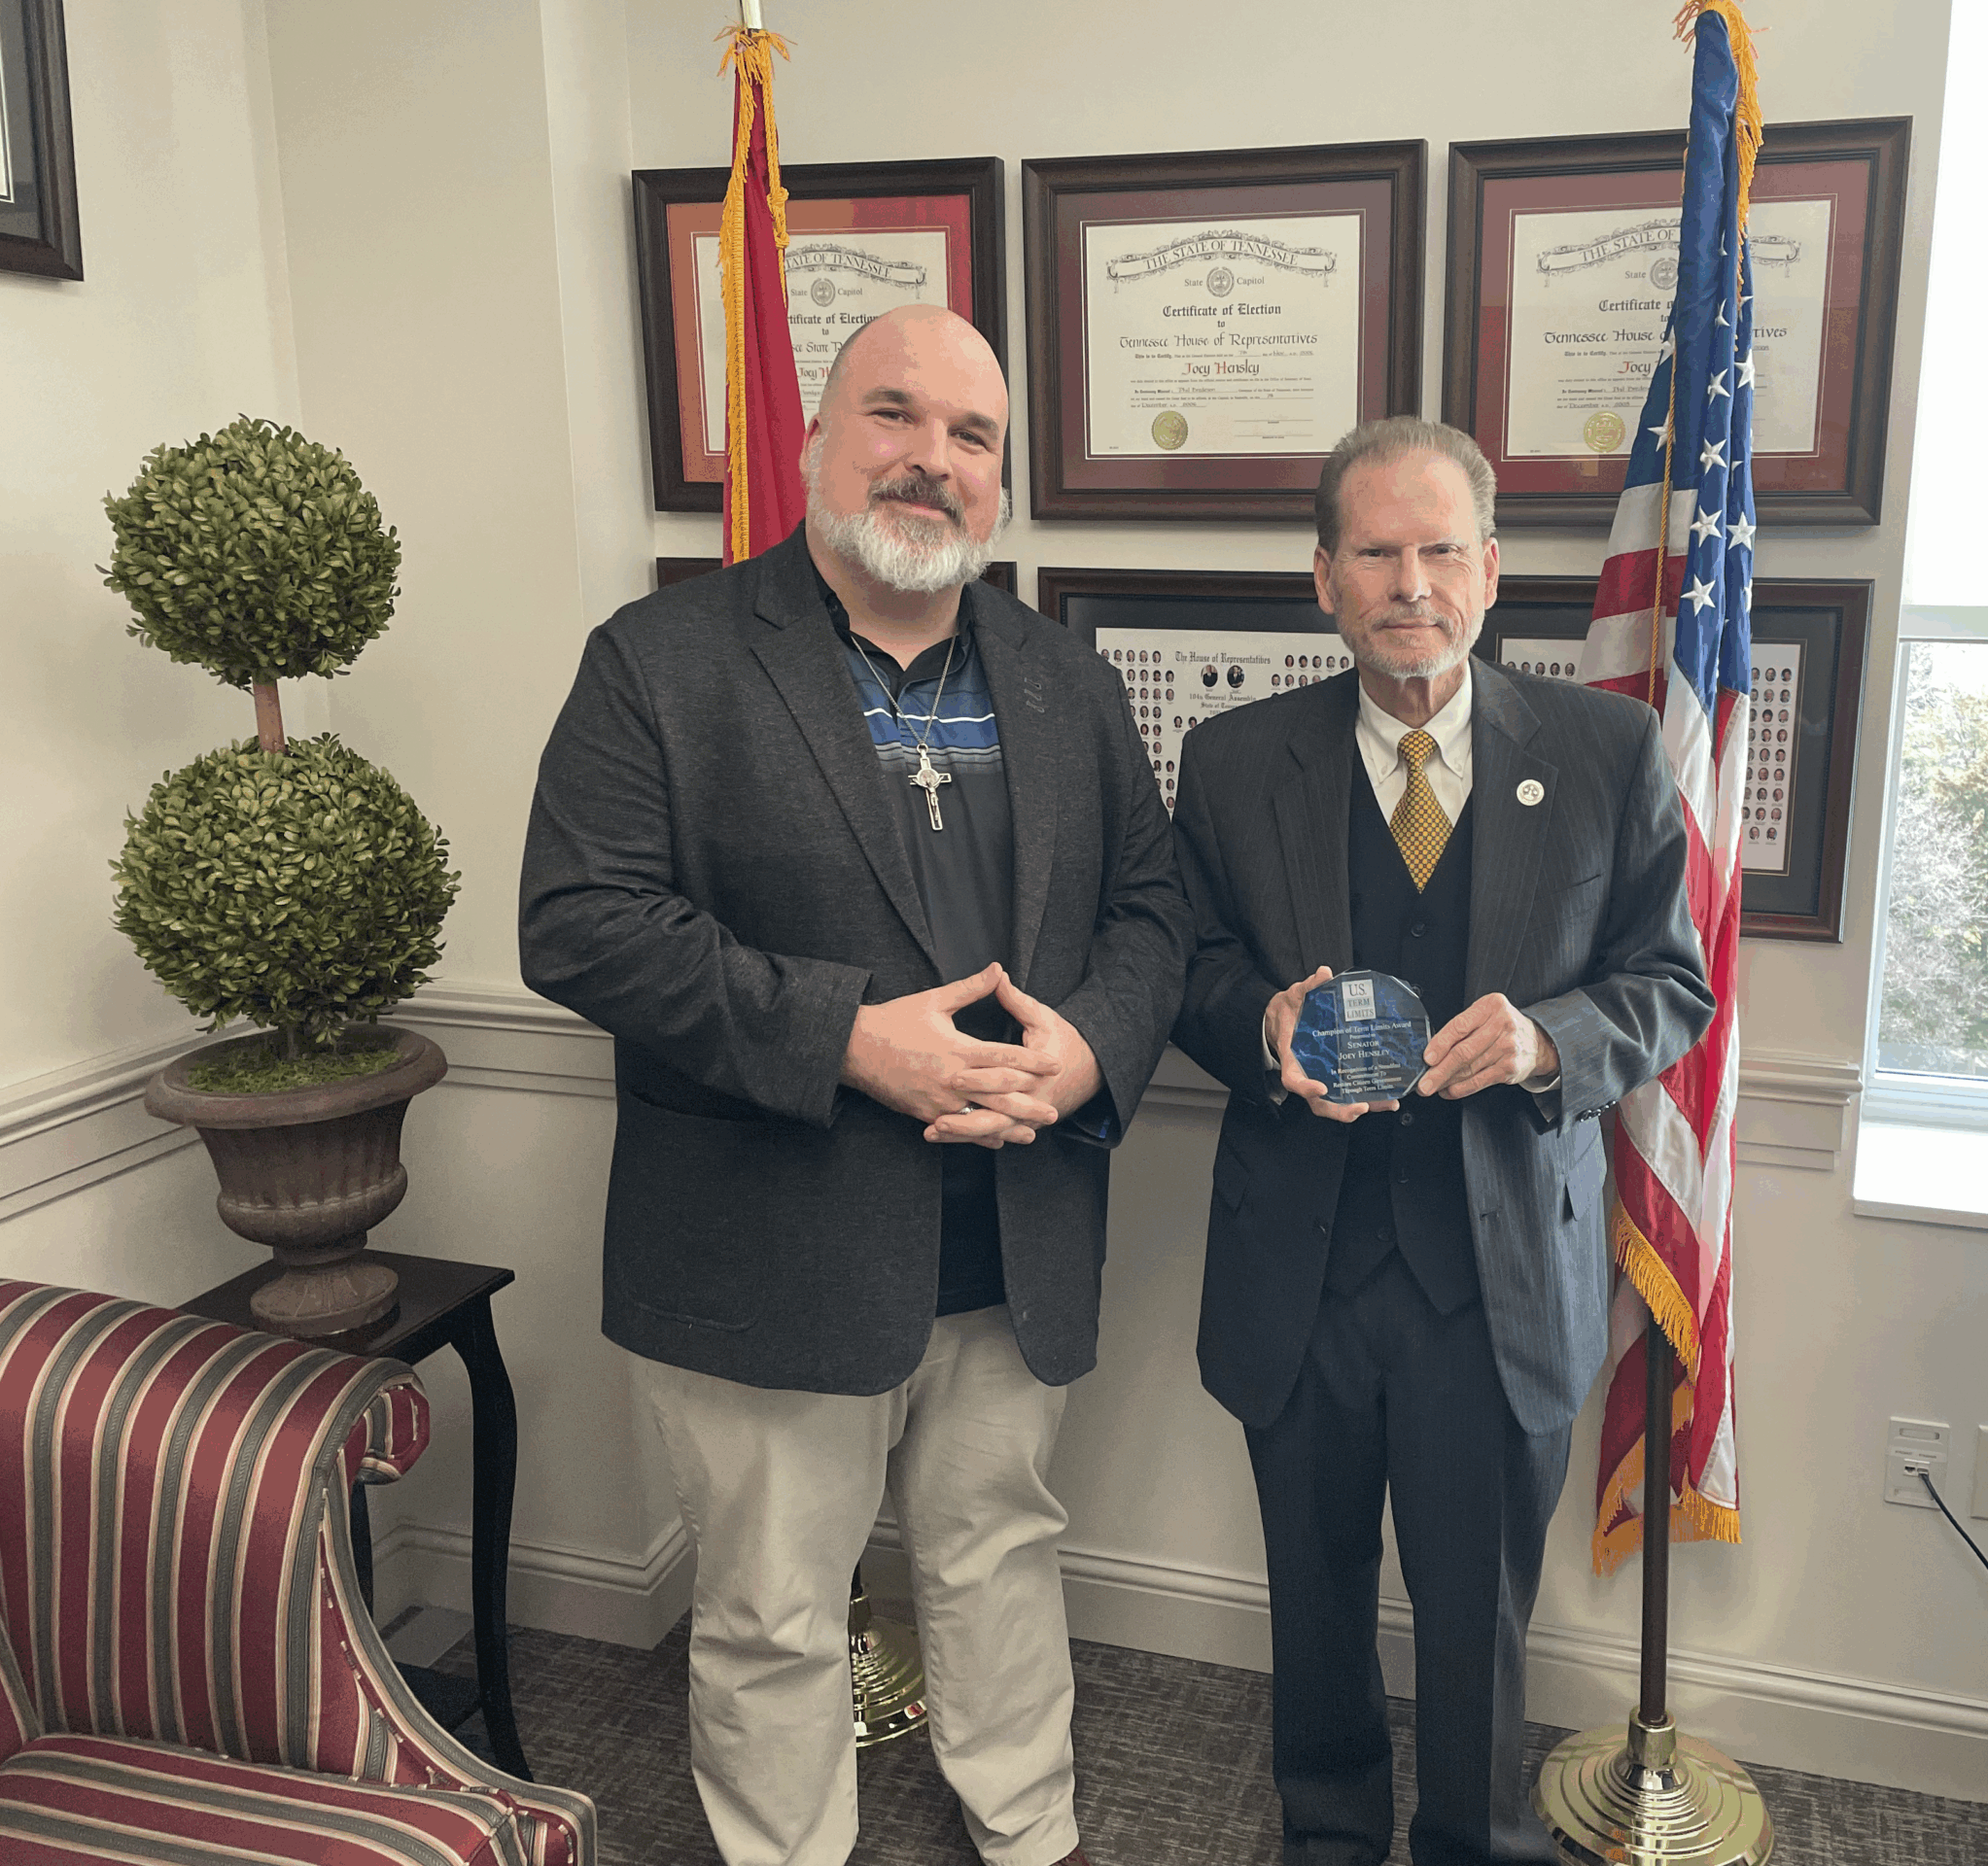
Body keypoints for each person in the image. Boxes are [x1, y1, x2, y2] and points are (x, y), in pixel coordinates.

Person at [519, 304, 1190, 1866]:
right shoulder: (661, 660)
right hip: (769, 1233)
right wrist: (846, 1039)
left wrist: (1090, 1046)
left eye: (972, 437)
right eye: (894, 414)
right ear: (817, 437)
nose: (930, 459)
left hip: (1013, 1224)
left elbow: (1154, 909)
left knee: (1001, 1553)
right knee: (769, 1608)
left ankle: (1028, 1830)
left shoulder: (1065, 680)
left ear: (1001, 484)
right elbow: (580, 923)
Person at [1171, 417, 1715, 1865]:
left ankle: (1473, 1845)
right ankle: (1328, 1838)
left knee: (1479, 1619)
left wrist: (1547, 1044)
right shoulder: (1231, 762)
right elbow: (1186, 968)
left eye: (1439, 551)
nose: (1409, 584)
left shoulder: (1607, 751)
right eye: (1374, 553)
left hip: (1500, 1277)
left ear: (1490, 569)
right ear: (1324, 578)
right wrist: (1263, 1029)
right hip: (1303, 1266)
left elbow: (1672, 986)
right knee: (1315, 1601)